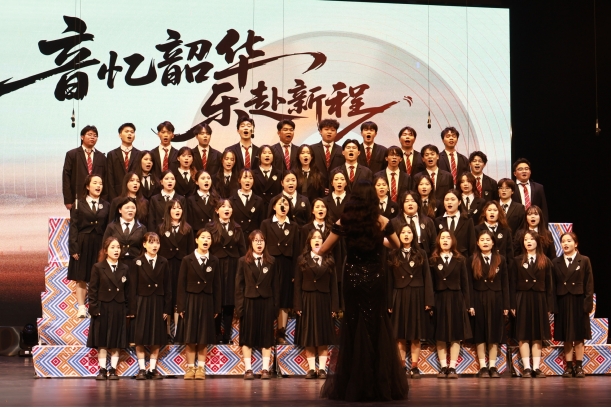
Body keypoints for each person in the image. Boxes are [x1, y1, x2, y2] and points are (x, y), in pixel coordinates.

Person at [317, 179, 408, 402]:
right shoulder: (382, 221)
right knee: (377, 324)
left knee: (353, 323)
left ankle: (353, 382)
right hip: (376, 278)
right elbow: (397, 245)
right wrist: (380, 242)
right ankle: (379, 383)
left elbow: (324, 249)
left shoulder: (344, 221)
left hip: (353, 278)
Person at [388, 224, 433, 379]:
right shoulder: (393, 254)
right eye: (403, 232)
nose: (406, 235)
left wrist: (428, 300)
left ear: (413, 235)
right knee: (399, 334)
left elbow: (427, 277)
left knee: (415, 334)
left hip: (417, 295)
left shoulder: (421, 253)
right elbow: (389, 280)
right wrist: (389, 302)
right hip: (399, 294)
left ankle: (414, 366)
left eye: (409, 232)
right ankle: (401, 366)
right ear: (398, 235)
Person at [176, 228, 221, 380]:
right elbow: (181, 284)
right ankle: (190, 368)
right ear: (196, 240)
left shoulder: (214, 260)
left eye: (208, 238)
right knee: (190, 336)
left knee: (203, 336)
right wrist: (181, 306)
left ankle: (201, 368)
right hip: (191, 300)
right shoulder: (187, 259)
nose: (206, 240)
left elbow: (217, 285)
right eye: (203, 237)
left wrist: (216, 307)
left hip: (207, 300)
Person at [294, 229, 339, 379]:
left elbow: (334, 285)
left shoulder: (329, 260)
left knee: (322, 335)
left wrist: (334, 306)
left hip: (324, 300)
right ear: (309, 241)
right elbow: (297, 285)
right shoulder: (302, 259)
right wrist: (298, 305)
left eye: (320, 237)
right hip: (307, 300)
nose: (317, 240)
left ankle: (322, 369)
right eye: (314, 238)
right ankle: (312, 369)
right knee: (309, 335)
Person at [235, 230, 279, 380]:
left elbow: (275, 286)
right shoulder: (243, 261)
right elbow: (239, 286)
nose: (259, 243)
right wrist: (240, 307)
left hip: (266, 302)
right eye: (256, 240)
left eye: (261, 240)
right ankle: (248, 369)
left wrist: (275, 307)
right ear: (251, 243)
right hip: (249, 302)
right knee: (247, 337)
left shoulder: (271, 261)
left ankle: (265, 369)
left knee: (266, 336)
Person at [510, 231, 554, 378]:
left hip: (539, 299)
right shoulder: (517, 260)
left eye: (531, 239)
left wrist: (549, 305)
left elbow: (550, 285)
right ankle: (526, 368)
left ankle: (536, 367)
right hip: (522, 298)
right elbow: (512, 284)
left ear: (537, 242)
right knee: (523, 334)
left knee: (537, 334)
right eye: (526, 239)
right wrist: (512, 304)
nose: (528, 242)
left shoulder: (545, 260)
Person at [466, 230, 509, 378]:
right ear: (477, 243)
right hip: (478, 298)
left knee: (494, 332)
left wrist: (506, 305)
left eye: (488, 240)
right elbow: (468, 284)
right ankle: (483, 366)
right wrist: (470, 304)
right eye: (482, 240)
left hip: (496, 298)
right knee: (480, 332)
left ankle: (492, 365)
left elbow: (505, 283)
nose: (485, 242)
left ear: (493, 242)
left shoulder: (500, 259)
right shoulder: (472, 259)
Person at [87, 237, 131, 380]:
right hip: (103, 307)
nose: (116, 250)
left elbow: (128, 291)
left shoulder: (125, 268)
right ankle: (102, 369)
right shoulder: (98, 267)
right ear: (106, 250)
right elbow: (92, 290)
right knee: (102, 340)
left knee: (116, 340)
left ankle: (113, 369)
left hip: (118, 307)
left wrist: (128, 309)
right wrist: (94, 308)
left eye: (118, 247)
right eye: (112, 247)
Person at [129, 232, 172, 380]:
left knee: (156, 336)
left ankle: (152, 369)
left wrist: (166, 308)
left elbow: (168, 287)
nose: (155, 246)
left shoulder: (163, 262)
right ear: (144, 244)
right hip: (141, 301)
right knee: (140, 336)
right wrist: (132, 308)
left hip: (158, 302)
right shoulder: (137, 262)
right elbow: (132, 287)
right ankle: (142, 368)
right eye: (151, 242)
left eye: (157, 242)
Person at [430, 230, 472, 379]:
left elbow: (465, 283)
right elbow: (431, 284)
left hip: (456, 298)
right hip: (439, 298)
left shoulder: (460, 259)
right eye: (442, 238)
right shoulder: (433, 260)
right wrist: (430, 303)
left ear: (453, 241)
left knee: (456, 334)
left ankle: (453, 367)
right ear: (438, 241)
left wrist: (467, 304)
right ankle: (443, 367)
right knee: (440, 334)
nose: (445, 240)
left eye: (448, 237)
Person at [551, 232, 594, 378]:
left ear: (575, 244)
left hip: (578, 300)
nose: (566, 244)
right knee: (567, 335)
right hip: (562, 300)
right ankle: (569, 367)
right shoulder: (556, 262)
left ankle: (579, 366)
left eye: (569, 241)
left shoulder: (584, 260)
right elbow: (552, 286)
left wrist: (587, 304)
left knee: (579, 335)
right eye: (563, 241)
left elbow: (589, 284)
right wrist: (553, 305)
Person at [260, 195, 301, 344]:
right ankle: (266, 332)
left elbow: (296, 250)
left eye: (286, 204)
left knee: (284, 298)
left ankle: (281, 333)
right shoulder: (266, 223)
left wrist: (295, 272)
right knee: (269, 296)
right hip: (270, 263)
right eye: (280, 204)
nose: (283, 207)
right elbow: (262, 245)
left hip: (286, 265)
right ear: (273, 206)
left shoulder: (294, 226)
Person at [68, 175, 109, 318]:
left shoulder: (106, 205)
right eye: (95, 183)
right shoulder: (78, 203)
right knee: (81, 276)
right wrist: (74, 247)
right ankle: (81, 307)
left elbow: (108, 227)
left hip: (99, 243)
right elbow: (73, 227)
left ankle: (94, 306)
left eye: (100, 183)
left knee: (98, 275)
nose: (98, 186)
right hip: (83, 242)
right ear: (87, 186)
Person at [208, 199, 247, 344]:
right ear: (217, 210)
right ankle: (216, 333)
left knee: (229, 300)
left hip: (232, 265)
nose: (227, 209)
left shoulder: (237, 228)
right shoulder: (210, 227)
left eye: (229, 207)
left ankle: (227, 335)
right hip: (216, 265)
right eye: (223, 206)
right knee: (217, 299)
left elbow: (242, 251)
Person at [158, 199, 195, 342]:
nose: (177, 210)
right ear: (168, 211)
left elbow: (191, 250)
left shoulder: (187, 228)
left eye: (179, 208)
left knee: (179, 298)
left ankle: (179, 333)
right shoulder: (161, 228)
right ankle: (166, 332)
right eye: (174, 208)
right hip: (166, 266)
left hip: (181, 265)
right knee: (168, 296)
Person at [62, 125, 107, 210]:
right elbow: (66, 178)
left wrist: (104, 199)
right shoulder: (72, 154)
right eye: (89, 134)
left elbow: (105, 179)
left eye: (95, 135)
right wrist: (68, 200)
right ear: (82, 137)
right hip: (77, 198)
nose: (92, 137)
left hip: (97, 199)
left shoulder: (102, 157)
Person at [103, 197, 147, 269]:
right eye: (127, 208)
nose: (130, 210)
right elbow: (105, 246)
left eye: (133, 208)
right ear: (120, 210)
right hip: (117, 263)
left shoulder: (142, 228)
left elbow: (144, 249)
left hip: (136, 264)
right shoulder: (111, 227)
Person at [391, 191, 437, 257]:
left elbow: (434, 243)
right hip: (401, 258)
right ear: (402, 205)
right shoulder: (394, 222)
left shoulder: (428, 221)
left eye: (413, 201)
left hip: (424, 257)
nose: (410, 204)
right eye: (406, 201)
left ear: (418, 204)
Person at [435, 190, 476, 258]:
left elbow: (472, 244)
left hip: (463, 258)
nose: (449, 202)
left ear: (459, 202)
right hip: (443, 259)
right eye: (446, 200)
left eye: (453, 199)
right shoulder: (438, 221)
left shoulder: (467, 220)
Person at [107, 123, 140, 201]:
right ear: (120, 135)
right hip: (117, 195)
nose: (130, 134)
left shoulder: (139, 154)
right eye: (127, 131)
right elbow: (110, 178)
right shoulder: (112, 154)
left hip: (135, 197)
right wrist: (114, 199)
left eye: (132, 132)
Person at [228, 169, 265, 237]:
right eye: (245, 177)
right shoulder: (231, 200)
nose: (248, 180)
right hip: (237, 236)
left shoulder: (259, 201)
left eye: (250, 178)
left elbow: (261, 222)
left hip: (253, 238)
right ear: (239, 180)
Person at [511, 158, 549, 223]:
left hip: (534, 223)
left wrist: (544, 226)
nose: (524, 171)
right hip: (516, 223)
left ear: (530, 172)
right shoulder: (511, 187)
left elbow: (544, 208)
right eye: (520, 169)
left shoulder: (538, 187)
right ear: (515, 173)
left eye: (526, 169)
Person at [252, 145, 283, 209]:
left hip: (274, 208)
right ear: (259, 156)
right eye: (264, 153)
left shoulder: (279, 174)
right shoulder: (253, 174)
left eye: (270, 153)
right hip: (258, 208)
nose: (267, 155)